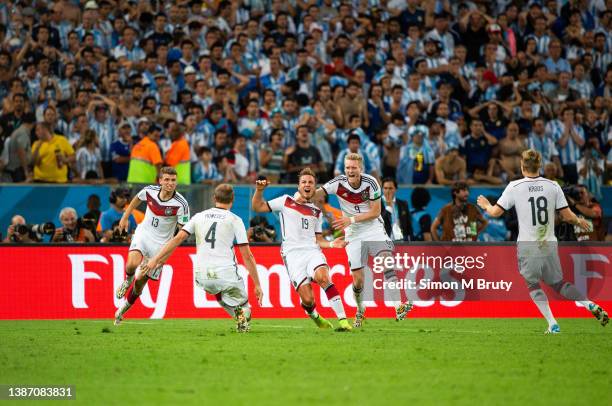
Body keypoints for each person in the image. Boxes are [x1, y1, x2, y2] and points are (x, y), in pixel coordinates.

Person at [477, 149, 608, 333]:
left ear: (523, 166)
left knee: (532, 284)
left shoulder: (515, 186)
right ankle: (589, 304)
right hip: (549, 243)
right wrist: (580, 221)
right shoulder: (553, 186)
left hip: (527, 245)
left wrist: (486, 205)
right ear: (539, 166)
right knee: (559, 283)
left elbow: (495, 213)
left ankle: (552, 323)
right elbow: (568, 216)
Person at [304, 153, 412, 327]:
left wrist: (351, 219)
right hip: (353, 234)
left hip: (373, 229)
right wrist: (303, 195)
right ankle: (360, 311)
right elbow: (315, 194)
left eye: (353, 167)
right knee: (358, 281)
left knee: (386, 262)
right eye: (347, 167)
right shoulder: (338, 183)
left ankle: (398, 306)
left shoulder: (371, 183)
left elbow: (376, 212)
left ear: (361, 169)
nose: (350, 171)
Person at [142, 184, 263, 332]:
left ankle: (239, 318)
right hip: (226, 274)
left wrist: (155, 259)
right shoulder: (235, 220)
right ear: (233, 200)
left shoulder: (199, 216)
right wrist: (257, 284)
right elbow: (247, 255)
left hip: (202, 276)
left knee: (218, 290)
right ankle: (243, 316)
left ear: (214, 198)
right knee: (245, 308)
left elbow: (177, 239)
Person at [252, 169, 352, 331]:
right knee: (308, 300)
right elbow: (257, 207)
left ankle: (343, 322)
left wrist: (333, 244)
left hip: (312, 252)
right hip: (292, 256)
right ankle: (314, 315)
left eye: (310, 182)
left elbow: (319, 241)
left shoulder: (316, 211)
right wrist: (259, 190)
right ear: (299, 186)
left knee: (324, 278)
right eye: (304, 182)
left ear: (314, 187)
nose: (307, 185)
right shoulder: (285, 201)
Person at [114, 167, 190, 325]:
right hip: (144, 234)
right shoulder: (149, 191)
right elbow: (136, 199)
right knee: (132, 265)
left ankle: (123, 309)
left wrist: (164, 257)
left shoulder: (182, 204)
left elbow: (180, 235)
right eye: (167, 180)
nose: (170, 183)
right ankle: (127, 280)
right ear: (160, 180)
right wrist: (125, 217)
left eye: (173, 180)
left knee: (140, 282)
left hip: (161, 246)